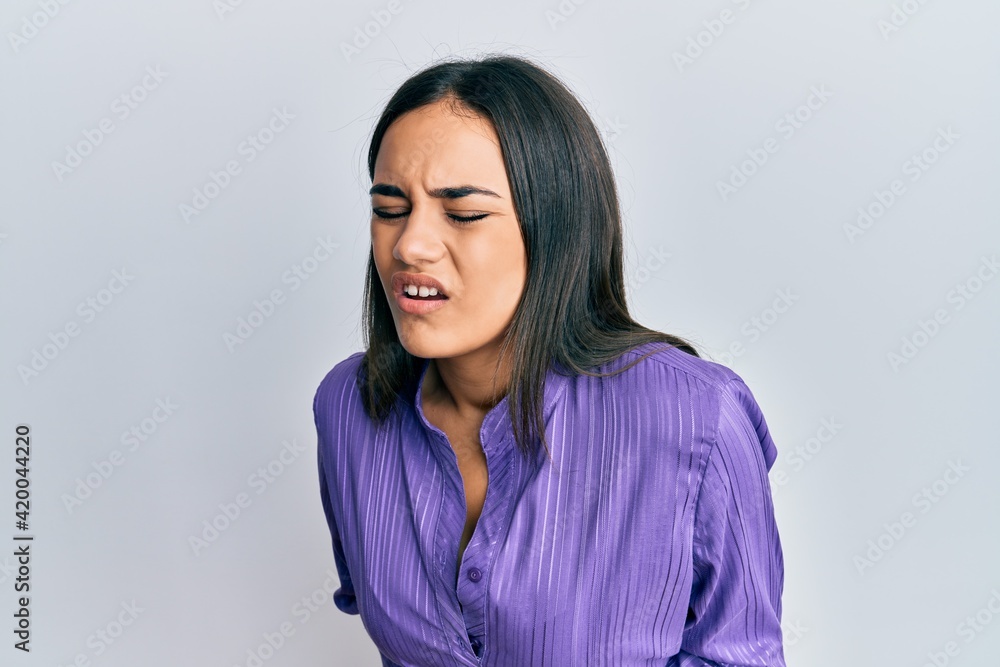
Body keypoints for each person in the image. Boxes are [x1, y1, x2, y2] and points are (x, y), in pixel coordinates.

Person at [314, 53, 785, 666]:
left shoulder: (697, 416)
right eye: (389, 209)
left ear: (554, 229)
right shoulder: (348, 408)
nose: (410, 245)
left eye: (464, 214)